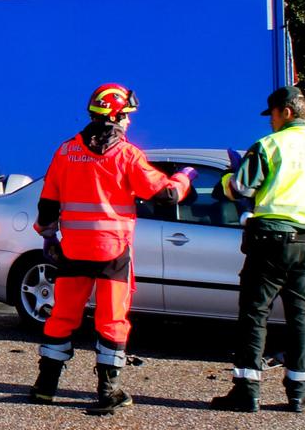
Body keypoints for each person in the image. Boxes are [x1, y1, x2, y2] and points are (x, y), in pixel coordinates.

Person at [29, 84, 193, 412]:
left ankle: (46, 386)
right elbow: (166, 196)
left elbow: (47, 202)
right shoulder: (127, 155)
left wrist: (48, 237)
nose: (130, 122)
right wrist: (186, 177)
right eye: (128, 116)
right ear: (116, 116)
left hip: (73, 250)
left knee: (62, 316)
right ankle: (108, 391)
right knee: (112, 319)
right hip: (112, 252)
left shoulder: (65, 151)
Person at [211, 86, 305, 413]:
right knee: (299, 316)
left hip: (270, 240)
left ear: (286, 112)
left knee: (255, 313)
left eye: (273, 115)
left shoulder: (269, 145)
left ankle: (247, 390)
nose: (271, 122)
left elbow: (241, 186)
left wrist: (226, 181)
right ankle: (298, 391)